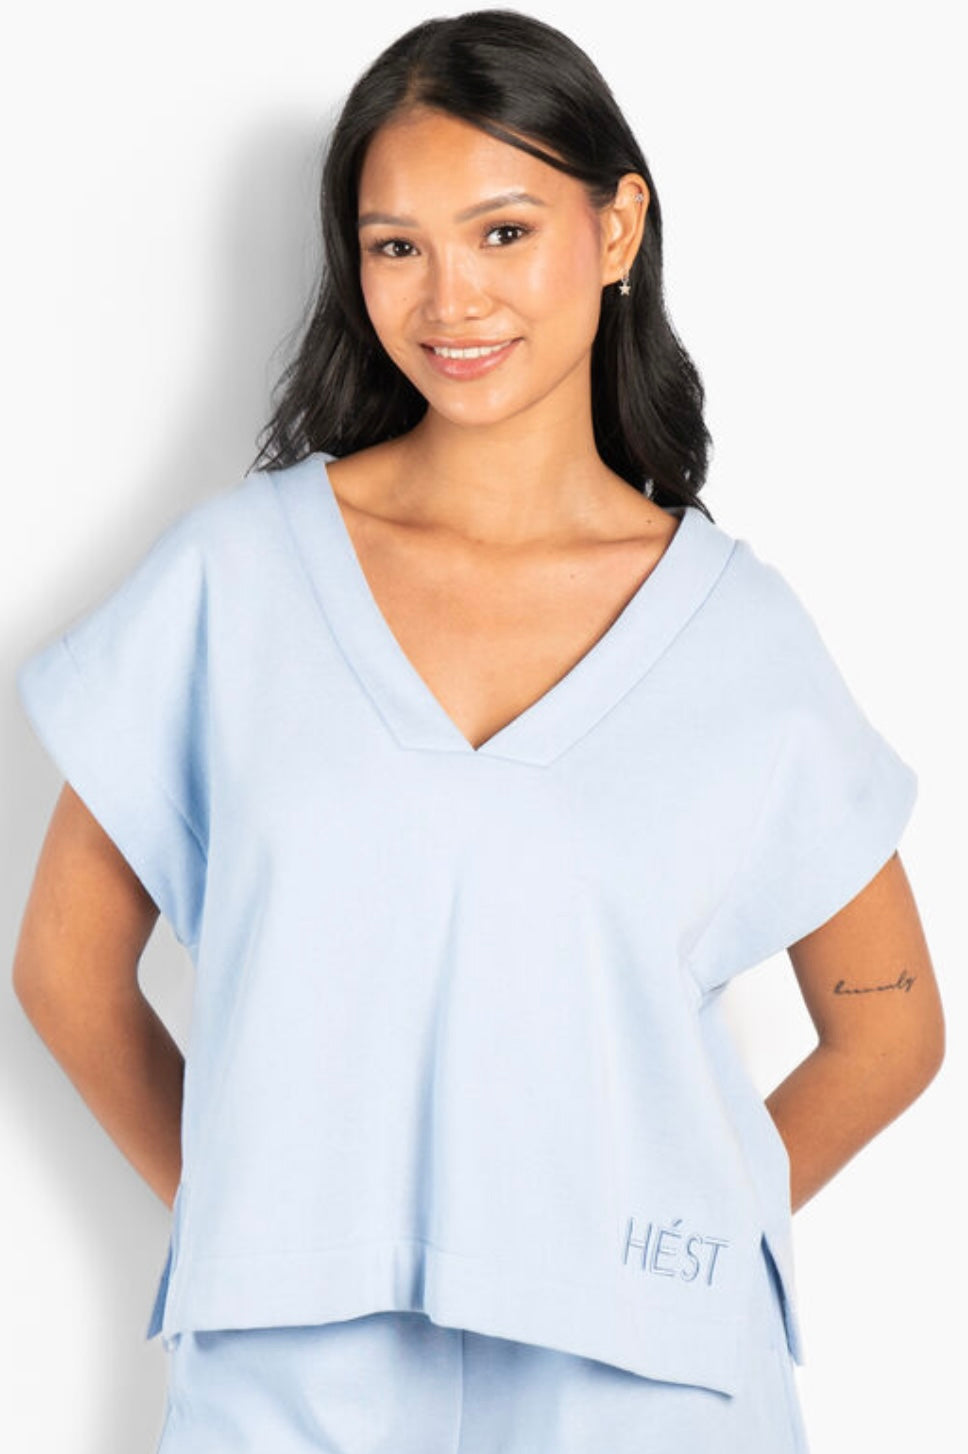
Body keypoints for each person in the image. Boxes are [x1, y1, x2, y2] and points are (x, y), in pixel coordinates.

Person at [11, 10, 943, 1454]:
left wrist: (678, 1247)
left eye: (503, 232)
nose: (451, 298)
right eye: (397, 246)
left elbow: (889, 1026)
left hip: (645, 1396)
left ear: (616, 228)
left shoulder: (739, 635)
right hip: (290, 1387)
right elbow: (67, 970)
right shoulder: (234, 582)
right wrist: (253, 1219)